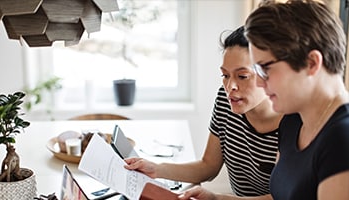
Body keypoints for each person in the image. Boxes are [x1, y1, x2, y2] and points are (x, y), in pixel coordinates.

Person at [179, 0, 349, 200]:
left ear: (311, 63)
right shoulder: (292, 121)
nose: (259, 82)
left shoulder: (342, 138)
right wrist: (217, 199)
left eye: (265, 69)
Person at [125, 26, 282, 198]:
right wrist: (156, 169)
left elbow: (280, 197)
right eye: (225, 75)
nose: (230, 87)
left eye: (242, 76)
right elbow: (208, 166)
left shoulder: (293, 121)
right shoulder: (226, 99)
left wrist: (216, 198)